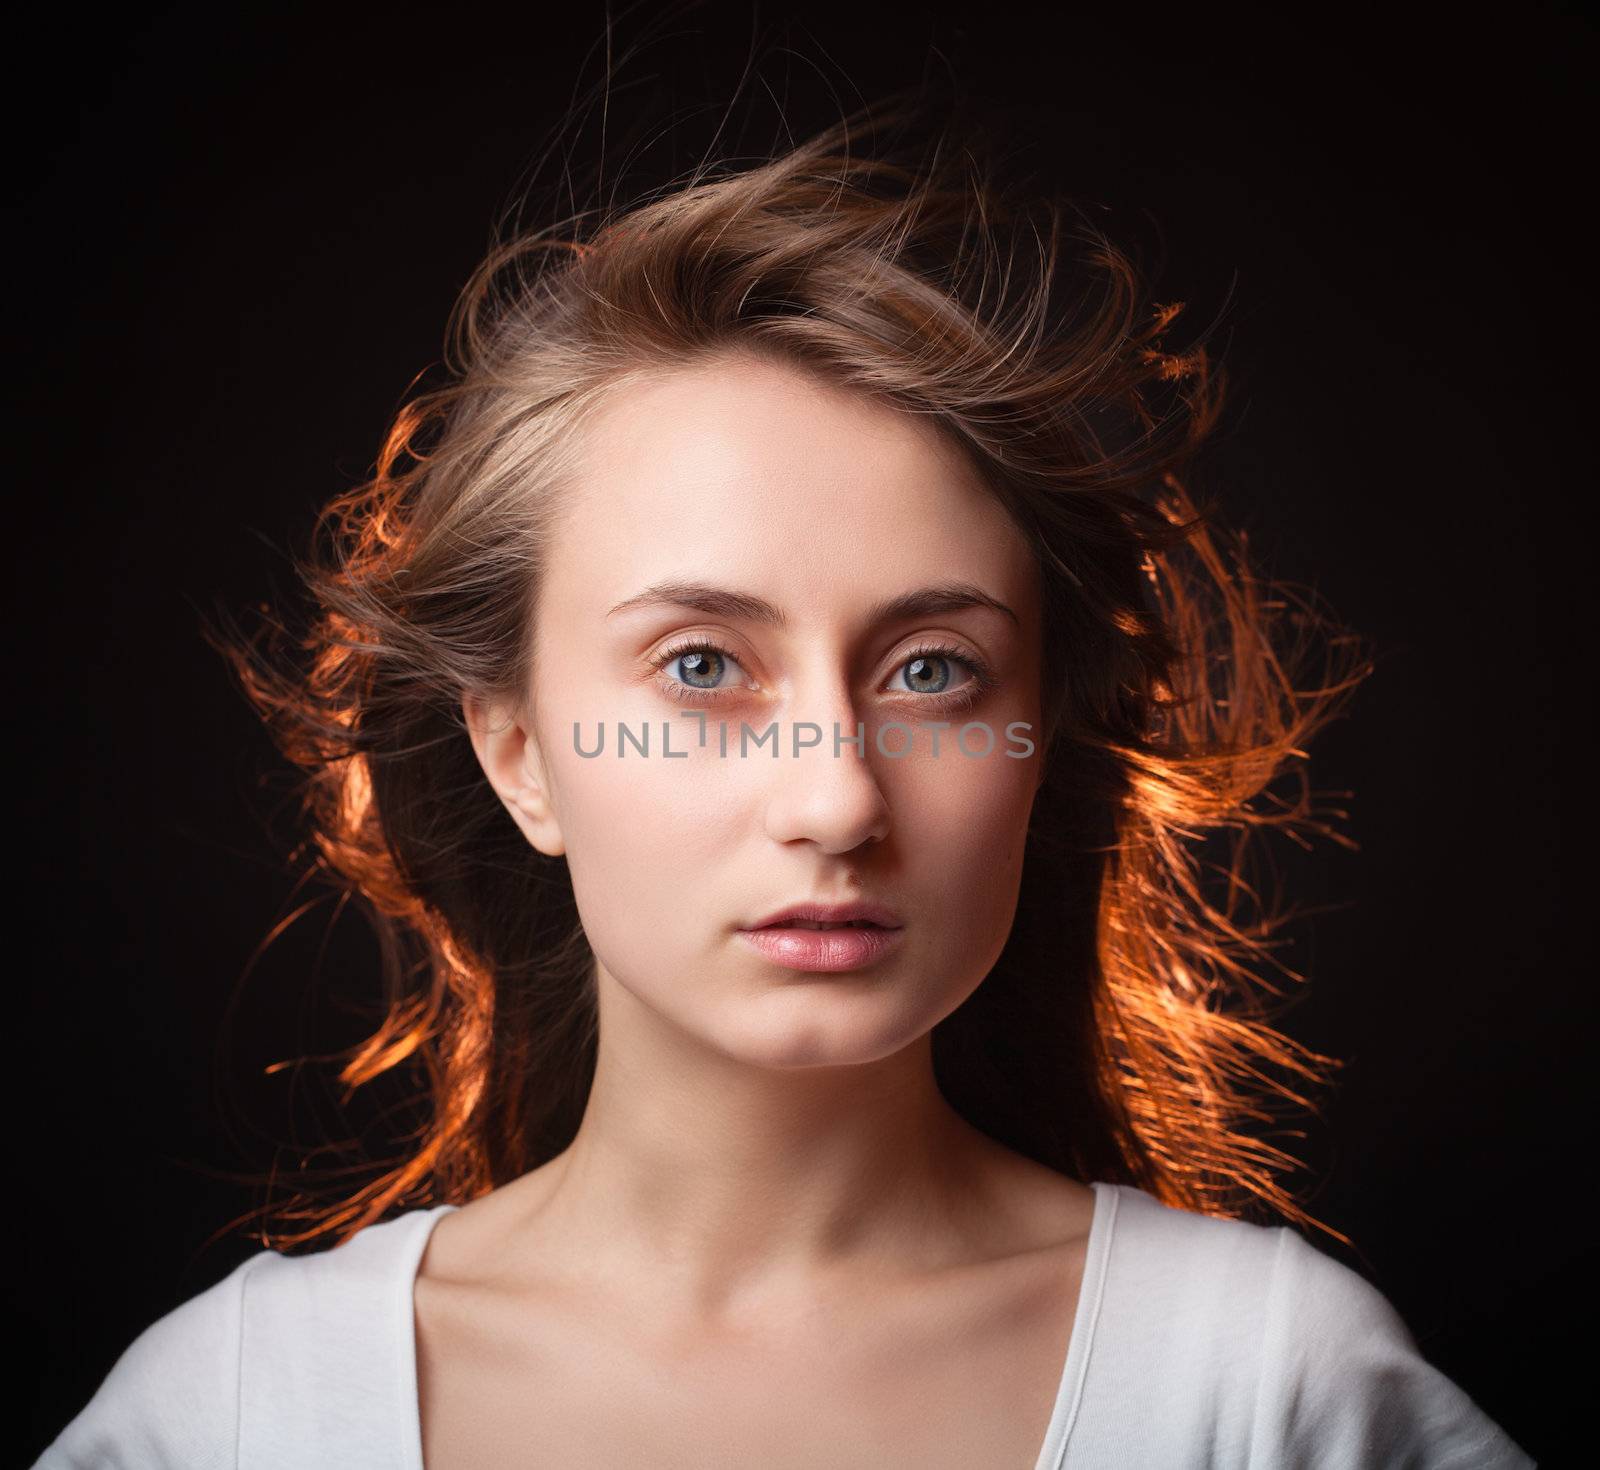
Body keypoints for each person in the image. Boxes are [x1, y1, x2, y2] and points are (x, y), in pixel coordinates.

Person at [34, 95, 1534, 1468]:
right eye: (701, 666)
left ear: (1039, 739)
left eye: (934, 668)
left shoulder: (1272, 1394)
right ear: (517, 751)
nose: (839, 801)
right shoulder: (239, 1413)